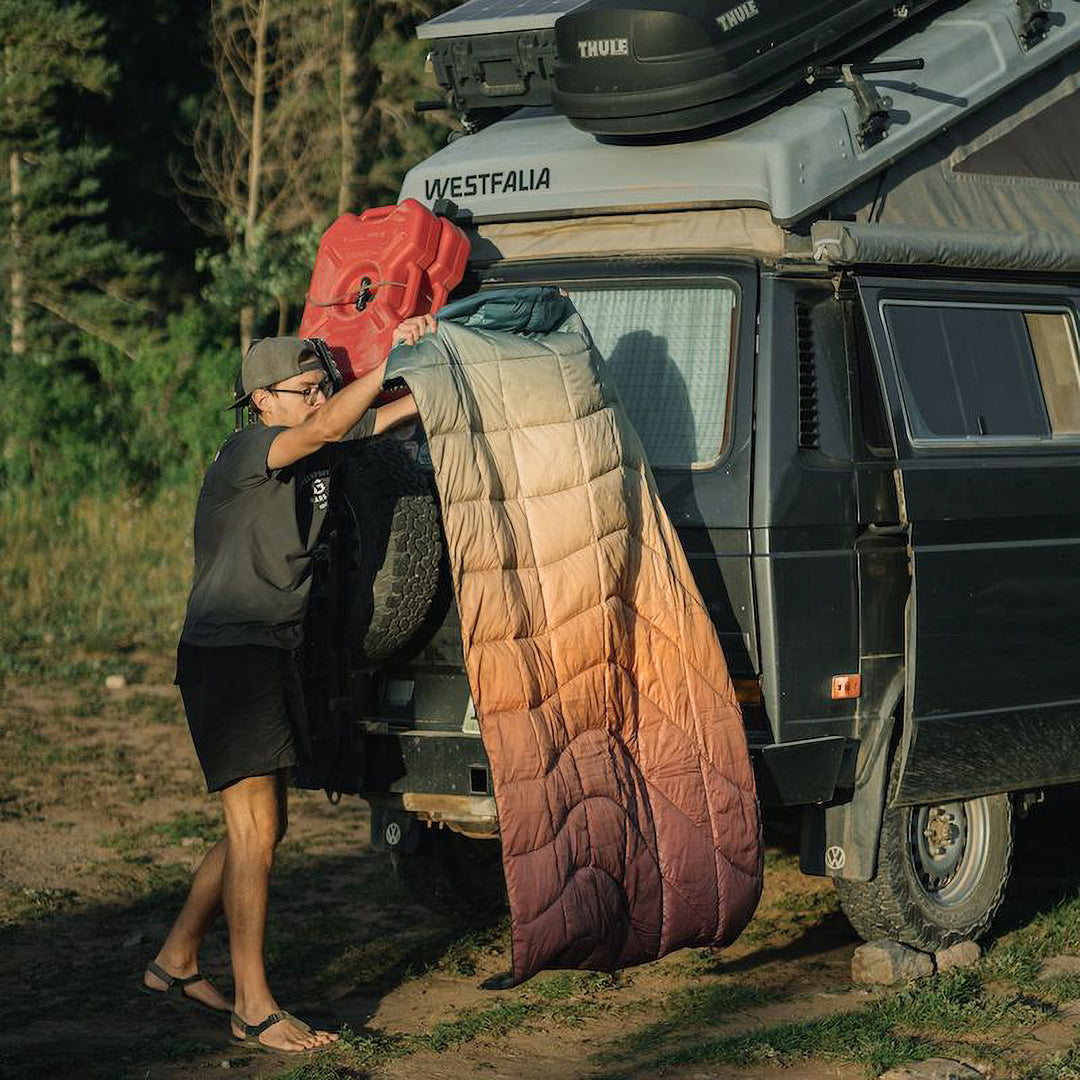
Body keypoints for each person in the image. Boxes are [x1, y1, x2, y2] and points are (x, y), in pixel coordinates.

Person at [141, 317, 435, 1052]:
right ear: (262, 399)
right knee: (256, 831)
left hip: (271, 652)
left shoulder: (313, 446)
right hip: (230, 657)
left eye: (321, 388)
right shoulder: (250, 451)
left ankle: (176, 959)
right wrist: (391, 357)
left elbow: (378, 418)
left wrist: (442, 371)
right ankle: (253, 1007)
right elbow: (332, 425)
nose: (317, 400)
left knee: (256, 828)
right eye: (304, 391)